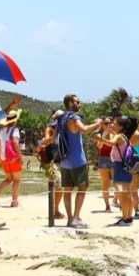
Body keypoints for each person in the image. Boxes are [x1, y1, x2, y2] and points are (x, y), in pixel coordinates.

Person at [54, 94, 104, 228]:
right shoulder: (73, 118)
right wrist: (98, 123)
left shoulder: (62, 118)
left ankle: (70, 218)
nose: (79, 104)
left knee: (67, 190)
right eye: (77, 102)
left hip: (65, 161)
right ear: (70, 103)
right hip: (77, 160)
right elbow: (84, 129)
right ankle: (76, 217)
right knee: (83, 187)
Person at [99, 116, 137, 227]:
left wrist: (100, 139)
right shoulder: (125, 136)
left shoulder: (120, 136)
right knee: (127, 194)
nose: (112, 125)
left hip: (119, 167)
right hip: (126, 168)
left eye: (115, 124)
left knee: (122, 194)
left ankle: (125, 218)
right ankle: (128, 218)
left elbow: (111, 143)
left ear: (121, 126)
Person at [0, 110, 24, 208]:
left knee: (8, 179)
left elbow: (0, 144)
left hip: (4, 158)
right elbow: (15, 143)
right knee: (17, 180)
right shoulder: (15, 130)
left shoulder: (2, 131)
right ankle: (14, 201)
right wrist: (20, 155)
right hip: (13, 158)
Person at [93, 118, 116, 212]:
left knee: (118, 182)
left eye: (110, 123)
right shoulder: (99, 135)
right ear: (102, 125)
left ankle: (119, 201)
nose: (108, 125)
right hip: (103, 160)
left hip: (114, 159)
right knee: (105, 184)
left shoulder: (115, 134)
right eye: (106, 123)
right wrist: (105, 134)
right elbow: (99, 146)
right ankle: (107, 205)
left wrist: (114, 133)